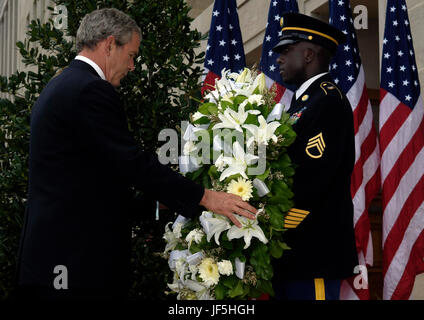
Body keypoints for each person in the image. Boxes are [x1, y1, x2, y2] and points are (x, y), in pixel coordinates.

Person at [15, 8, 256, 301]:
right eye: (131, 55)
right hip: (72, 262)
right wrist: (204, 197)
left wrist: (161, 202)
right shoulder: (89, 89)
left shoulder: (63, 85)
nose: (132, 66)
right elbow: (132, 163)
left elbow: (96, 182)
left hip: (55, 257)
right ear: (109, 44)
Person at [270, 12, 359, 300]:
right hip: (295, 253)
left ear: (308, 54)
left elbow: (312, 177)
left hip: (313, 248)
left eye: (285, 51)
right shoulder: (303, 104)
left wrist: (271, 220)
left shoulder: (327, 101)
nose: (279, 59)